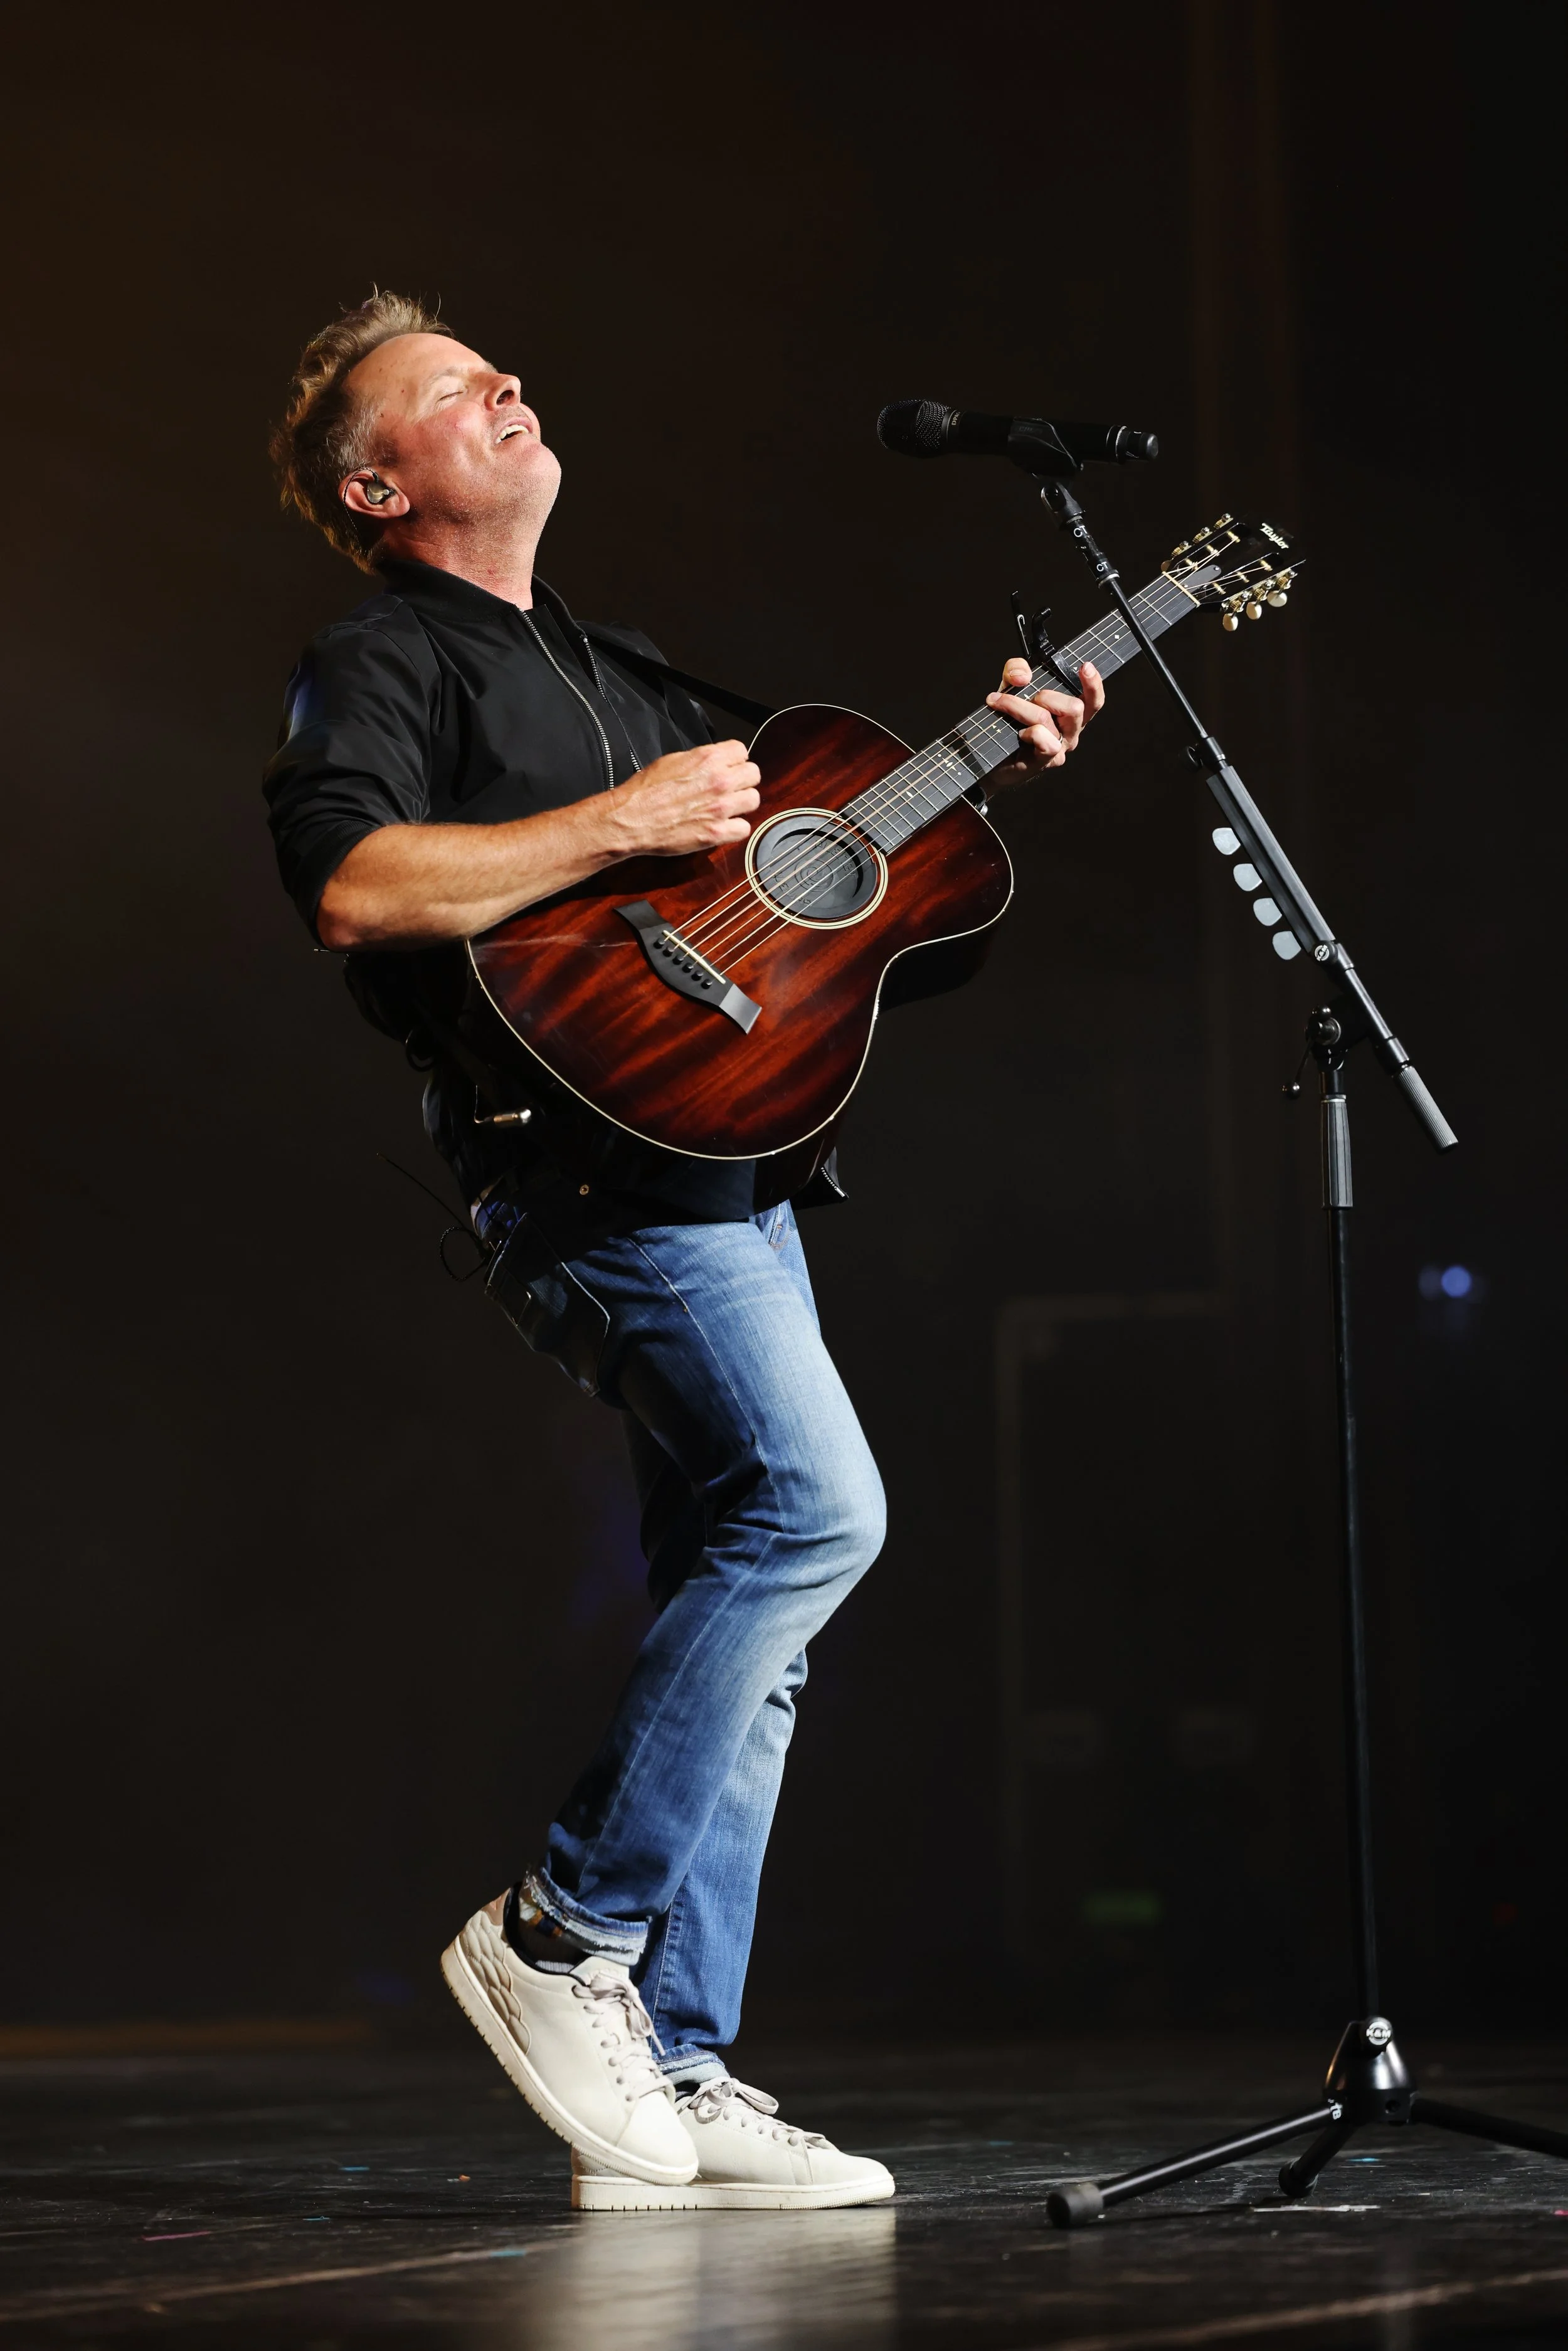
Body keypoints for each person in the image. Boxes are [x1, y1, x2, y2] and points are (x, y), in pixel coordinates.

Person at [263, 292, 1103, 2212]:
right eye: (448, 389)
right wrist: (613, 820)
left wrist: (991, 753)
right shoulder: (380, 657)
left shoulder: (619, 664)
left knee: (753, 1600)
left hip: (725, 1164)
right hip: (580, 1169)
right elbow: (352, 886)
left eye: (499, 364)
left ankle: (675, 2054)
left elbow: (807, 909)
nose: (505, 381)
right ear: (378, 485)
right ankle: (561, 1933)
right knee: (814, 1513)